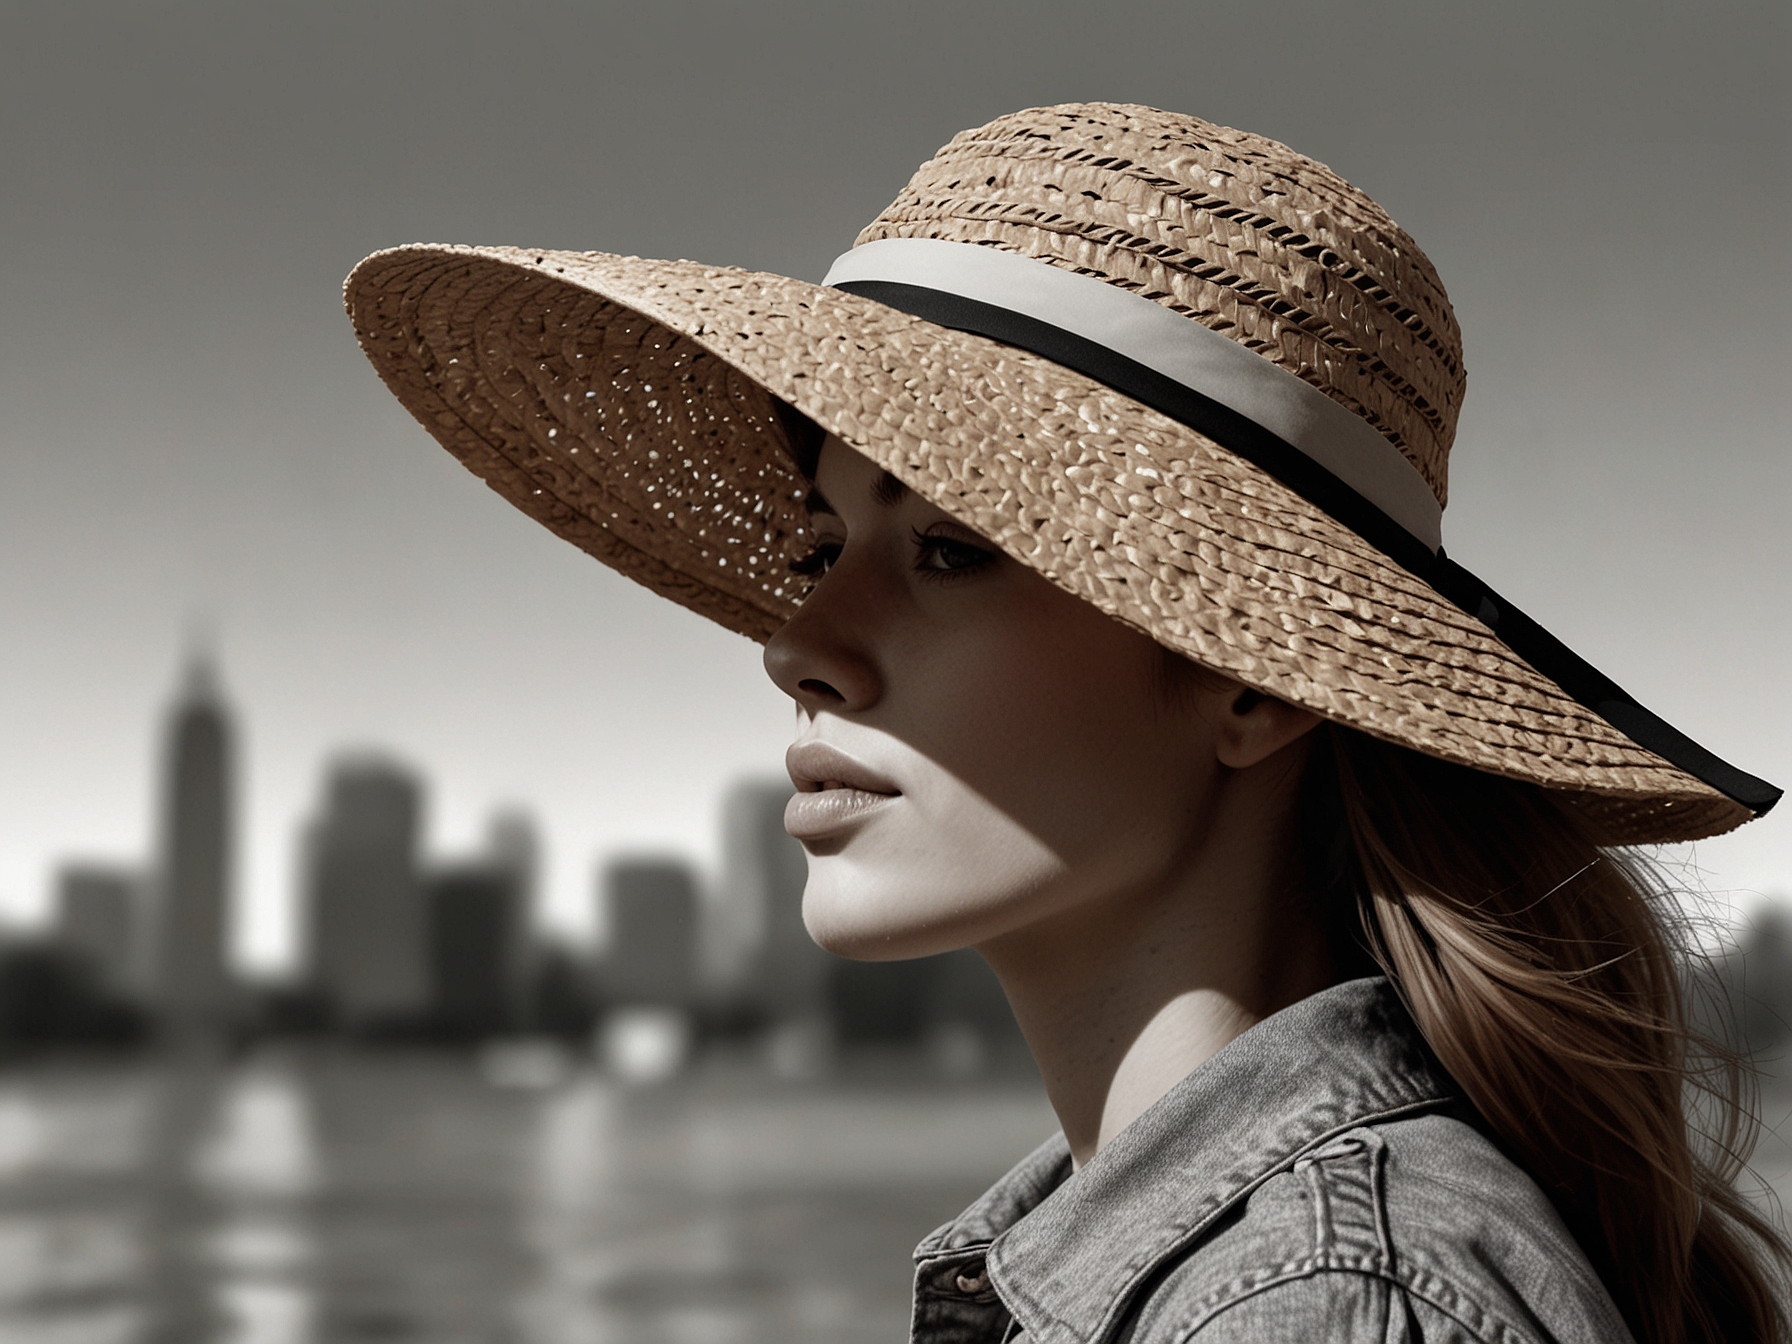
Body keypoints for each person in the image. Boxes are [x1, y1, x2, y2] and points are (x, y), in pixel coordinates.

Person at [345, 104, 1789, 1343]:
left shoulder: (1327, 1299)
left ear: (1256, 675)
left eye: (952, 550)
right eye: (816, 547)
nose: (799, 648)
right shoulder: (1225, 1256)